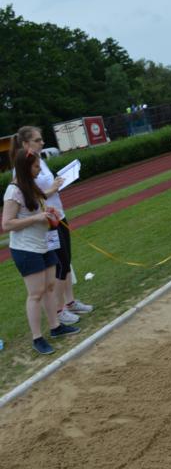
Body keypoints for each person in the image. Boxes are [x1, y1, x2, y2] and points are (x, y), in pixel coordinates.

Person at [10, 127, 94, 325]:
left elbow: (43, 188)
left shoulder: (40, 161)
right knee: (59, 264)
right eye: (37, 140)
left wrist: (57, 184)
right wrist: (53, 188)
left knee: (66, 261)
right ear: (25, 144)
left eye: (42, 139)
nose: (42, 143)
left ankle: (70, 302)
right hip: (47, 222)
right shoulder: (22, 168)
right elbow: (31, 196)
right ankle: (59, 309)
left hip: (59, 215)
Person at [2, 149, 80, 355]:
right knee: (35, 293)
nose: (39, 170)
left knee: (50, 287)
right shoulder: (13, 191)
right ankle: (37, 338)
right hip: (26, 249)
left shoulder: (32, 186)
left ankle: (56, 327)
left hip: (43, 243)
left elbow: (37, 209)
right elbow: (7, 224)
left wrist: (48, 213)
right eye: (36, 166)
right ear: (26, 168)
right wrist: (36, 218)